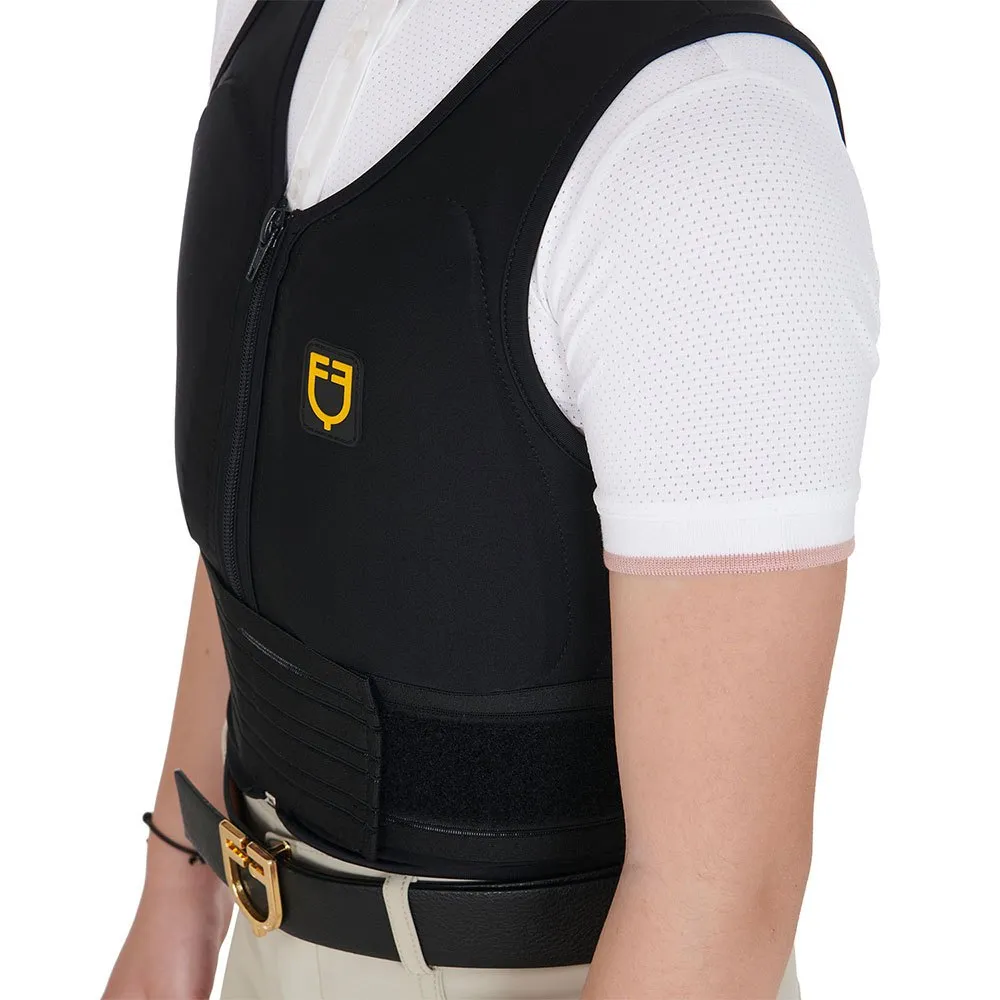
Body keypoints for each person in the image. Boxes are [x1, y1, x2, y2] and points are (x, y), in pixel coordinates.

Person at [104, 2, 879, 998]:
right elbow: (285, 524)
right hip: (270, 927)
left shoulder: (712, 139)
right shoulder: (282, 21)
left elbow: (720, 897)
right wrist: (177, 887)